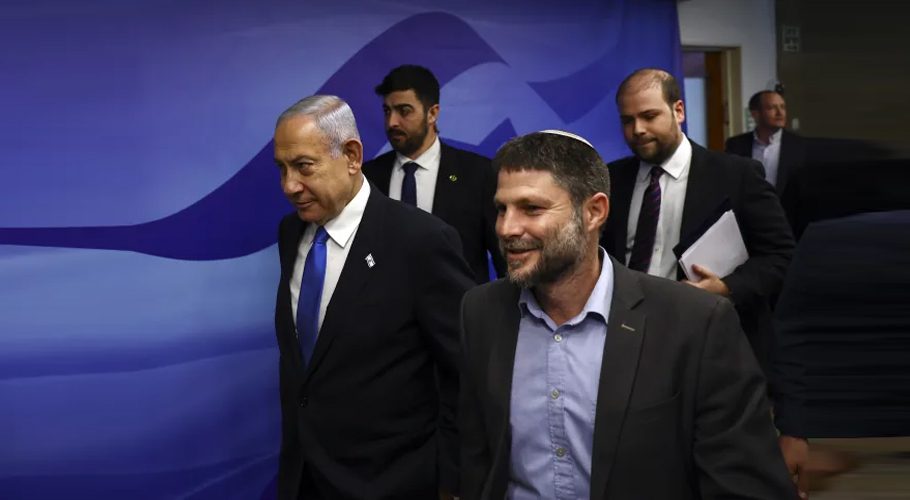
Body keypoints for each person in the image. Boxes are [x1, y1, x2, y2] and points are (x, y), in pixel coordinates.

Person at [459, 130, 797, 499]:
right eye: (501, 209)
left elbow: (744, 484)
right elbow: (478, 456)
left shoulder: (694, 324)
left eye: (532, 209)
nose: (507, 228)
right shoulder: (480, 313)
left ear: (594, 212)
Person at [601, 68, 805, 498]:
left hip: (713, 352)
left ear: (679, 111)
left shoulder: (736, 175)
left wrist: (727, 288)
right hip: (627, 350)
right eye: (626, 120)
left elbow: (782, 257)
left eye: (649, 116)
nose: (637, 130)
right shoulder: (609, 181)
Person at [273, 95, 474, 499]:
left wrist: (451, 480)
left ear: (351, 155)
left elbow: (466, 371)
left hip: (394, 483)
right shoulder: (291, 233)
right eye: (282, 169)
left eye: (303, 167)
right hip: (304, 480)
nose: (290, 186)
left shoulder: (420, 242)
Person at [363, 64, 505, 283]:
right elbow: (360, 253)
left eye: (404, 111)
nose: (392, 122)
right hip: (384, 313)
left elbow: (502, 255)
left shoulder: (478, 173)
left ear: (432, 113)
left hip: (460, 312)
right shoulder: (367, 177)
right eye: (387, 111)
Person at [725, 90, 807, 195]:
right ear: (755, 114)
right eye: (772, 108)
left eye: (782, 107)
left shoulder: (798, 145)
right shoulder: (736, 145)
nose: (780, 113)